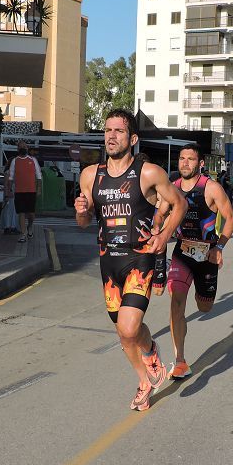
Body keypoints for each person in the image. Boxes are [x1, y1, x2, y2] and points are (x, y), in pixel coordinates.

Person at [75, 110, 187, 411]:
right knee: (124, 332)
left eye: (119, 131)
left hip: (139, 259)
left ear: (132, 138)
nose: (111, 136)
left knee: (128, 327)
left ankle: (149, 350)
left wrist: (163, 238)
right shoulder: (90, 175)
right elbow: (84, 222)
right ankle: (144, 378)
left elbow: (180, 204)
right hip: (108, 263)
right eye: (108, 130)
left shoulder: (148, 172)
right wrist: (81, 210)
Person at [157, 145, 233, 380]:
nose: (185, 163)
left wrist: (219, 247)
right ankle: (180, 360)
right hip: (182, 251)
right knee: (176, 302)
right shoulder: (172, 188)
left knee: (204, 307)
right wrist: (157, 226)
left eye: (190, 159)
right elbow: (160, 213)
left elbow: (230, 218)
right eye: (182, 159)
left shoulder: (211, 188)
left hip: (207, 255)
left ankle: (201, 293)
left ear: (200, 163)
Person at [8, 141, 41, 243]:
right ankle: (23, 234)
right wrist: (9, 189)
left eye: (24, 147)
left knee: (31, 214)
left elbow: (39, 176)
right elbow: (11, 177)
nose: (23, 148)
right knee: (21, 213)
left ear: (27, 148)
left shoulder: (33, 160)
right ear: (18, 149)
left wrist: (39, 188)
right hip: (19, 191)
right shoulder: (15, 161)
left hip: (31, 191)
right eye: (20, 147)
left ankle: (30, 226)